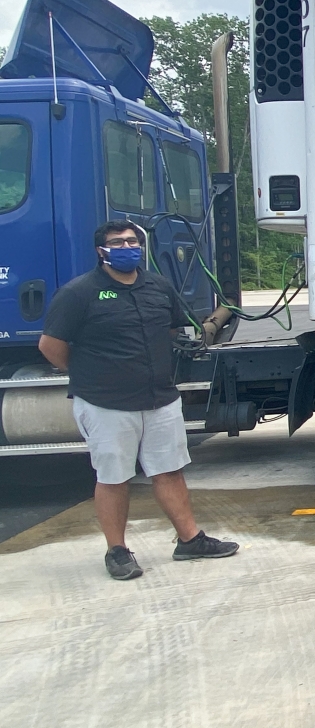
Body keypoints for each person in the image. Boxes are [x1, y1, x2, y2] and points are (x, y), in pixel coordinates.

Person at [38, 220, 239, 580]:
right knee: (114, 476)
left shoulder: (157, 287)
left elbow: (174, 329)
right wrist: (91, 375)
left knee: (170, 470)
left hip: (160, 398)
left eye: (132, 240)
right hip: (106, 403)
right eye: (118, 242)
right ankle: (117, 551)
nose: (127, 246)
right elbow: (51, 347)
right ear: (101, 251)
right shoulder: (78, 293)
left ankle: (190, 540)